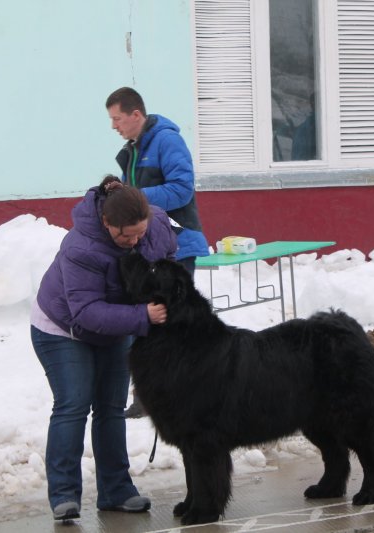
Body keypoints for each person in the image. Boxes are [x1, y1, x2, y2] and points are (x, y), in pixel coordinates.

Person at [30, 175, 177, 521]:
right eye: (125, 236)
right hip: (63, 328)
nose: (134, 241)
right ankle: (64, 495)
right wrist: (143, 316)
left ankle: (117, 491)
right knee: (73, 404)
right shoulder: (80, 247)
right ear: (106, 222)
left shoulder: (152, 224)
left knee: (111, 408)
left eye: (139, 233)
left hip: (119, 323)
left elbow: (172, 257)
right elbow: (86, 313)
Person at [105, 86, 209, 418]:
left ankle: (185, 391)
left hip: (178, 246)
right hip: (150, 246)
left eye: (117, 119)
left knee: (175, 324)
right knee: (147, 318)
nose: (114, 126)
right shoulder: (133, 150)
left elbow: (181, 190)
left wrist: (134, 197)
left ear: (137, 115)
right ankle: (149, 394)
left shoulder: (167, 141)